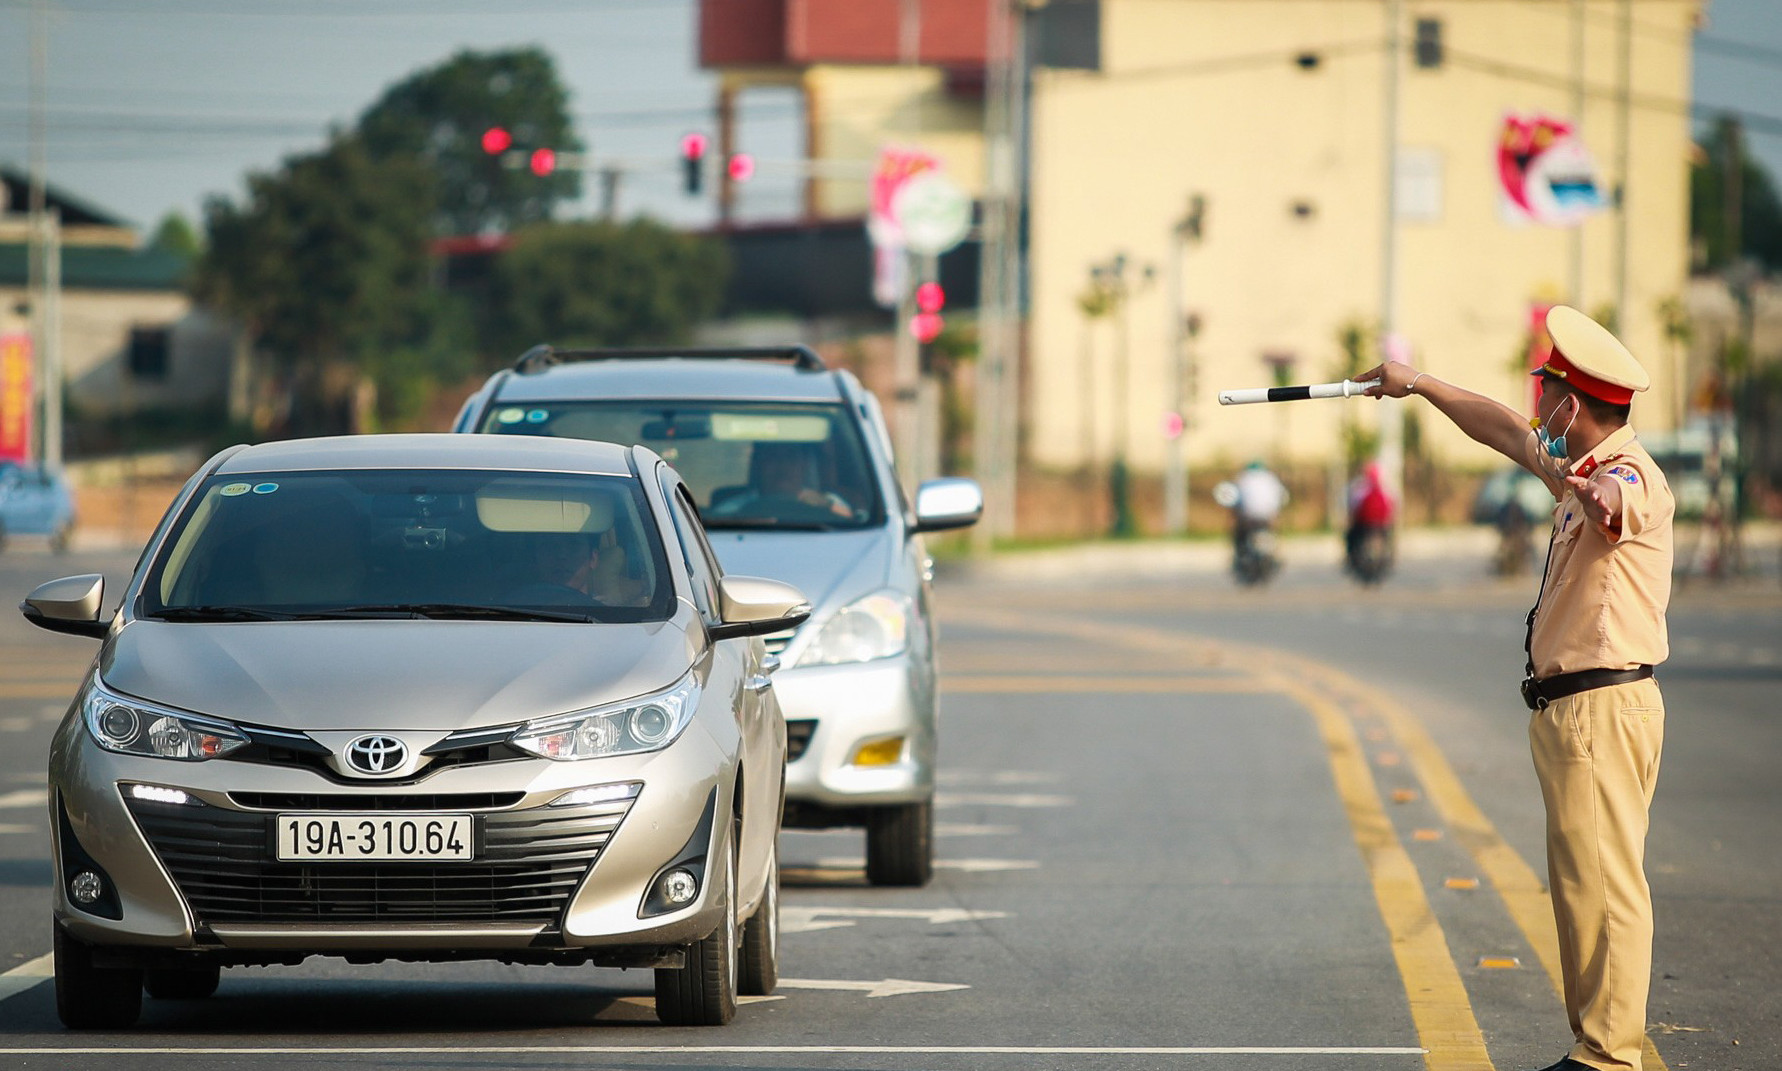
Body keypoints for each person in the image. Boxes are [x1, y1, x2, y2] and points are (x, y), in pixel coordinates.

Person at [1363, 305, 1673, 1071]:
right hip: (1575, 713)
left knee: (1607, 885)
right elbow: (1501, 428)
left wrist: (1596, 496)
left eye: (1546, 394)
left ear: (1571, 403)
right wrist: (1420, 385)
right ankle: (1594, 1043)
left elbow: (1620, 506)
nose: (1537, 407)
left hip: (1604, 706)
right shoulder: (1580, 468)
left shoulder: (1628, 476)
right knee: (1580, 886)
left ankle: (1608, 1056)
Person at [709, 442, 853, 520]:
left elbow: (853, 522)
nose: (782, 465)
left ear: (804, 465)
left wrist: (826, 506)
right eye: (772, 457)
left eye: (790, 456)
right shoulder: (730, 511)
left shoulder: (830, 504)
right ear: (759, 465)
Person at [1344, 459, 1397, 575]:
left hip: (1363, 524)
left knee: (1349, 536)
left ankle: (1349, 558)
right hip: (1381, 524)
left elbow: (1353, 507)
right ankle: (1391, 558)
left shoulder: (1359, 488)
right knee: (1390, 537)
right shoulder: (1386, 487)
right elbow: (1393, 505)